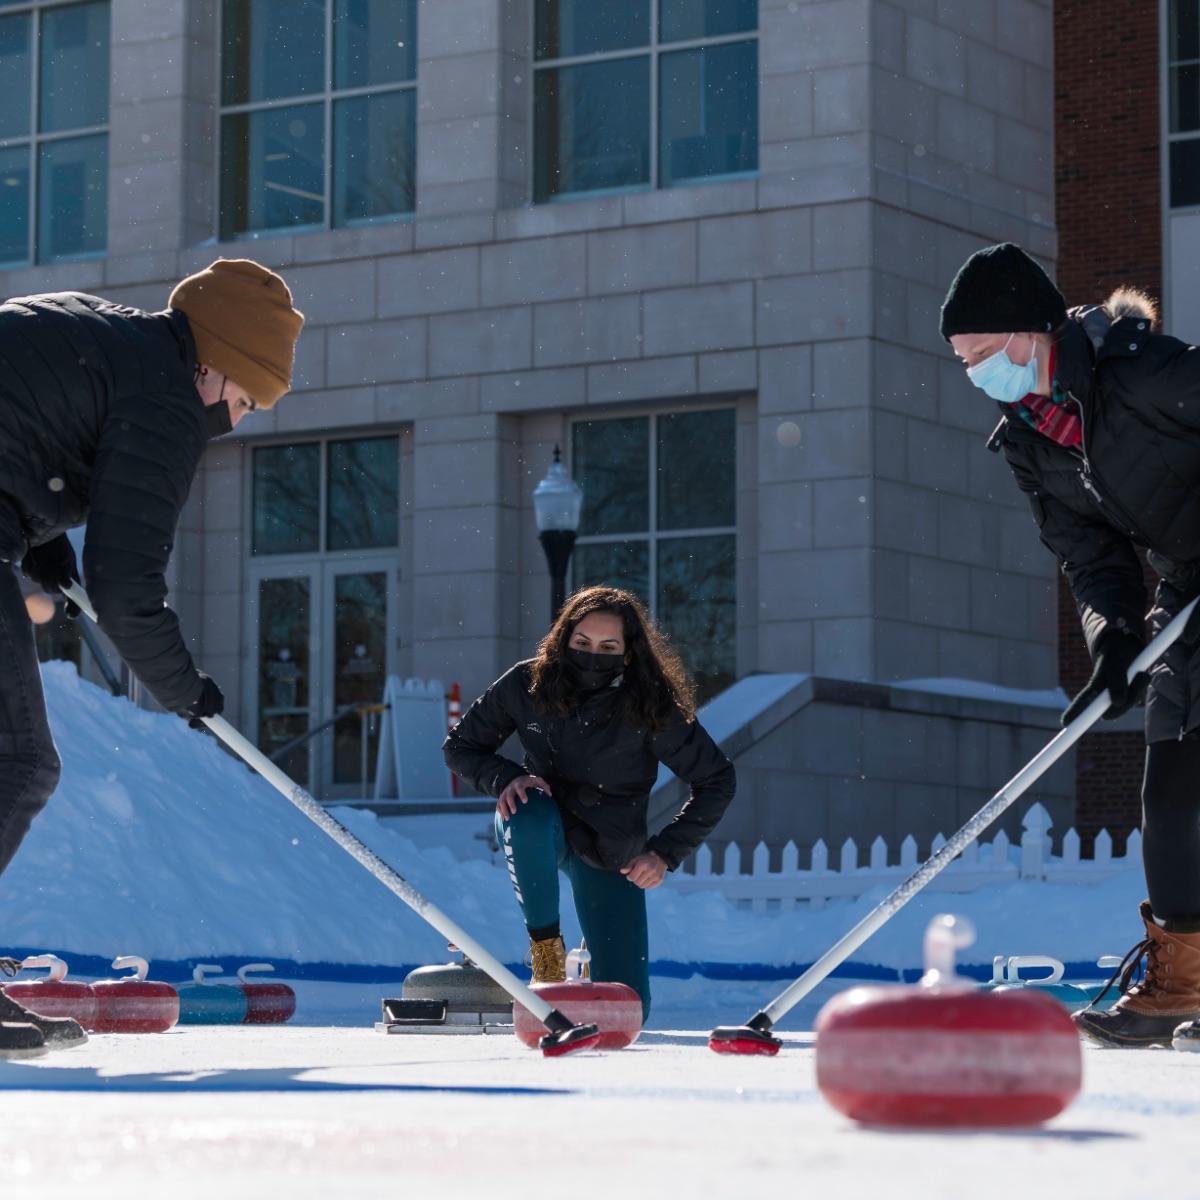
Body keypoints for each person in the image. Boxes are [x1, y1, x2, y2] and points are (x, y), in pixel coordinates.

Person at [0, 258, 304, 1056]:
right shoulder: (168, 399)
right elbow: (128, 587)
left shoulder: (108, 333)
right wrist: (185, 691)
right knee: (19, 763)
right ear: (215, 364)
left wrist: (42, 544)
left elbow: (24, 413)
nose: (233, 420)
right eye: (242, 398)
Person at [941, 241, 1200, 1048]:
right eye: (962, 361)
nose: (976, 374)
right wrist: (1114, 641)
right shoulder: (1027, 438)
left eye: (982, 354)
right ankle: (1183, 980)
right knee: (1173, 790)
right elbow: (1089, 554)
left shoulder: (1142, 372)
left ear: (1031, 334)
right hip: (1185, 594)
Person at [444, 586, 736, 1020]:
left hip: (610, 849)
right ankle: (546, 952)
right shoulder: (527, 683)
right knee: (526, 809)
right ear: (563, 639)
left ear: (628, 654)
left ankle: (592, 969)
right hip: (542, 824)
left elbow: (716, 779)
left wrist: (664, 853)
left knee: (627, 1009)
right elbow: (462, 746)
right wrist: (507, 777)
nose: (591, 655)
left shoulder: (649, 705)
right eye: (581, 643)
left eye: (608, 647)